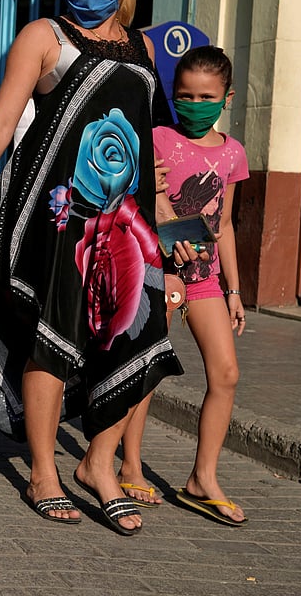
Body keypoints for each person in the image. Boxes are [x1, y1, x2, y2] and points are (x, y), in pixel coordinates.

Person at [0, 0, 183, 536]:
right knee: (56, 335)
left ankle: (97, 461)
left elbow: (152, 147)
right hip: (60, 219)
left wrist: (170, 231)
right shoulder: (44, 36)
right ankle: (43, 469)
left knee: (138, 336)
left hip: (128, 225)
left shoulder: (145, 50)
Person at [118, 46, 250, 526]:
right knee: (149, 368)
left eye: (206, 97)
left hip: (207, 279)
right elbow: (138, 201)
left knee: (227, 374)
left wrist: (235, 290)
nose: (194, 104)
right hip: (158, 270)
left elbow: (227, 224)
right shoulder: (156, 138)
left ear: (226, 98)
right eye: (185, 96)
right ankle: (130, 465)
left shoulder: (233, 153)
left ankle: (202, 478)